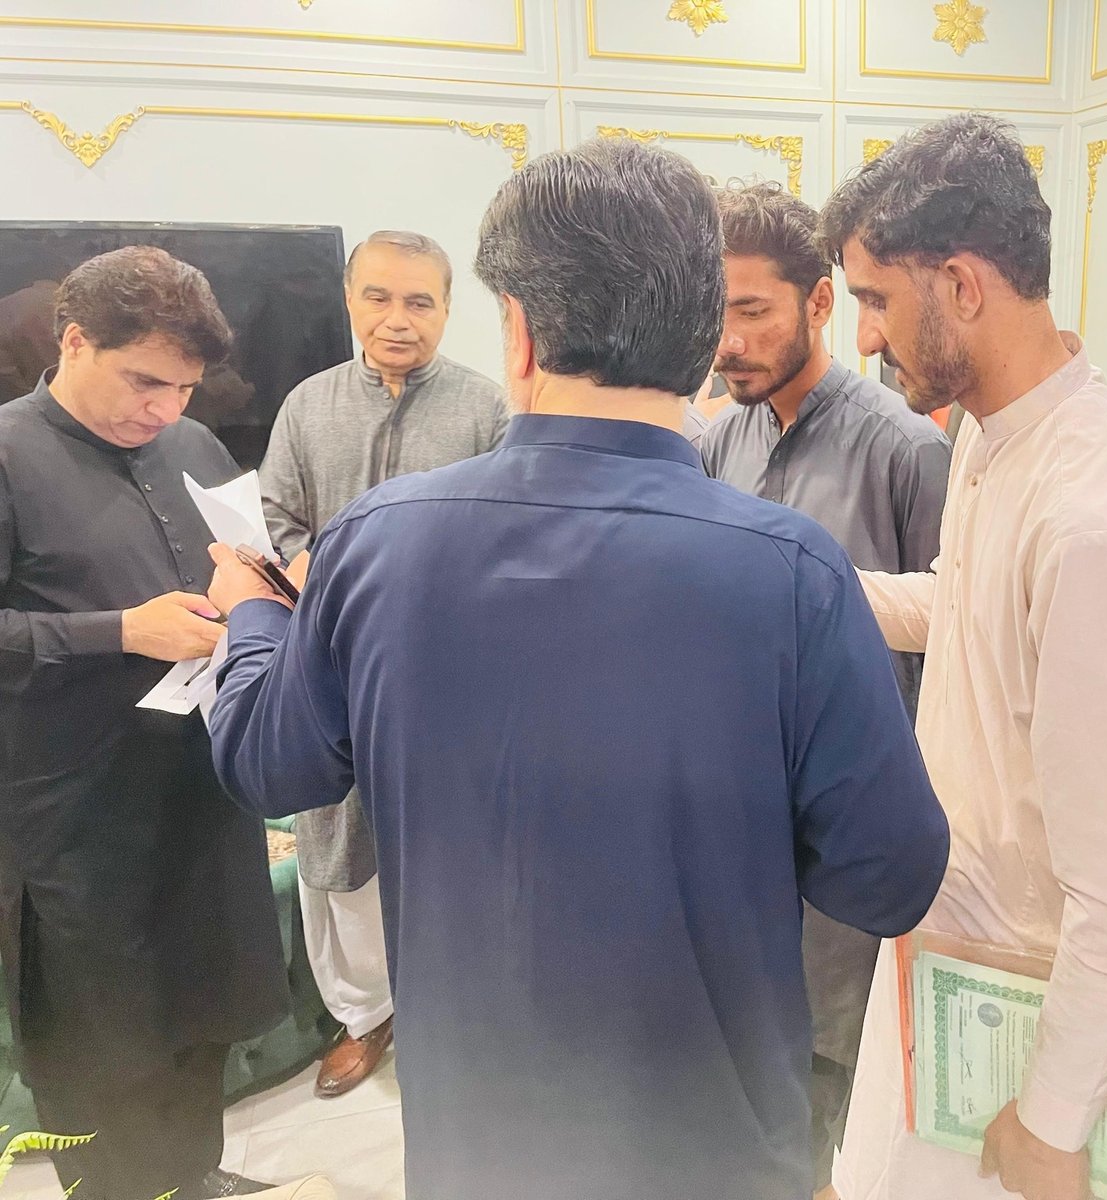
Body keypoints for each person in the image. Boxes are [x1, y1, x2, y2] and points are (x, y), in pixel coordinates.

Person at [204, 136, 951, 1200]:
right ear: (699, 332)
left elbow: (267, 765)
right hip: (716, 1141)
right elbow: (890, 874)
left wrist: (249, 615)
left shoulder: (375, 544)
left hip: (480, 1138)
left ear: (516, 330)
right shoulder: (792, 570)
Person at [823, 113, 1107, 1200]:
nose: (864, 339)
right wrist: (802, 588)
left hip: (1025, 1025)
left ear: (961, 285)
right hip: (946, 953)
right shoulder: (991, 431)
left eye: (875, 301)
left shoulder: (1093, 523)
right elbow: (966, 607)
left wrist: (1049, 1119)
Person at [0, 247, 326, 1200]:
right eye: (145, 381)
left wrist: (272, 593)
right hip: (72, 810)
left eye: (185, 388)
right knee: (103, 1035)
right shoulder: (10, 454)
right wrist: (119, 631)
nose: (165, 409)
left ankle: (192, 1176)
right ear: (74, 341)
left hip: (198, 785)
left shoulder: (194, 448)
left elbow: (235, 564)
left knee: (203, 1009)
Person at [700, 180, 951, 1193]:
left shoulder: (907, 449)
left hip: (850, 837)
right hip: (733, 822)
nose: (728, 343)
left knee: (831, 1077)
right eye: (714, 314)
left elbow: (952, 646)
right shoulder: (718, 440)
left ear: (818, 303)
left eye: (752, 312)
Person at [258, 229, 507, 1099]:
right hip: (329, 664)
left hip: (446, 673)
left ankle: (452, 1005)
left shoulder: (486, 410)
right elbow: (278, 516)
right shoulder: (307, 405)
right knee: (338, 845)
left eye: (419, 302)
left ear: (447, 309)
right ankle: (363, 1016)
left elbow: (506, 530)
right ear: (350, 299)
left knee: (447, 842)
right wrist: (310, 577)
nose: (398, 319)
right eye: (379, 297)